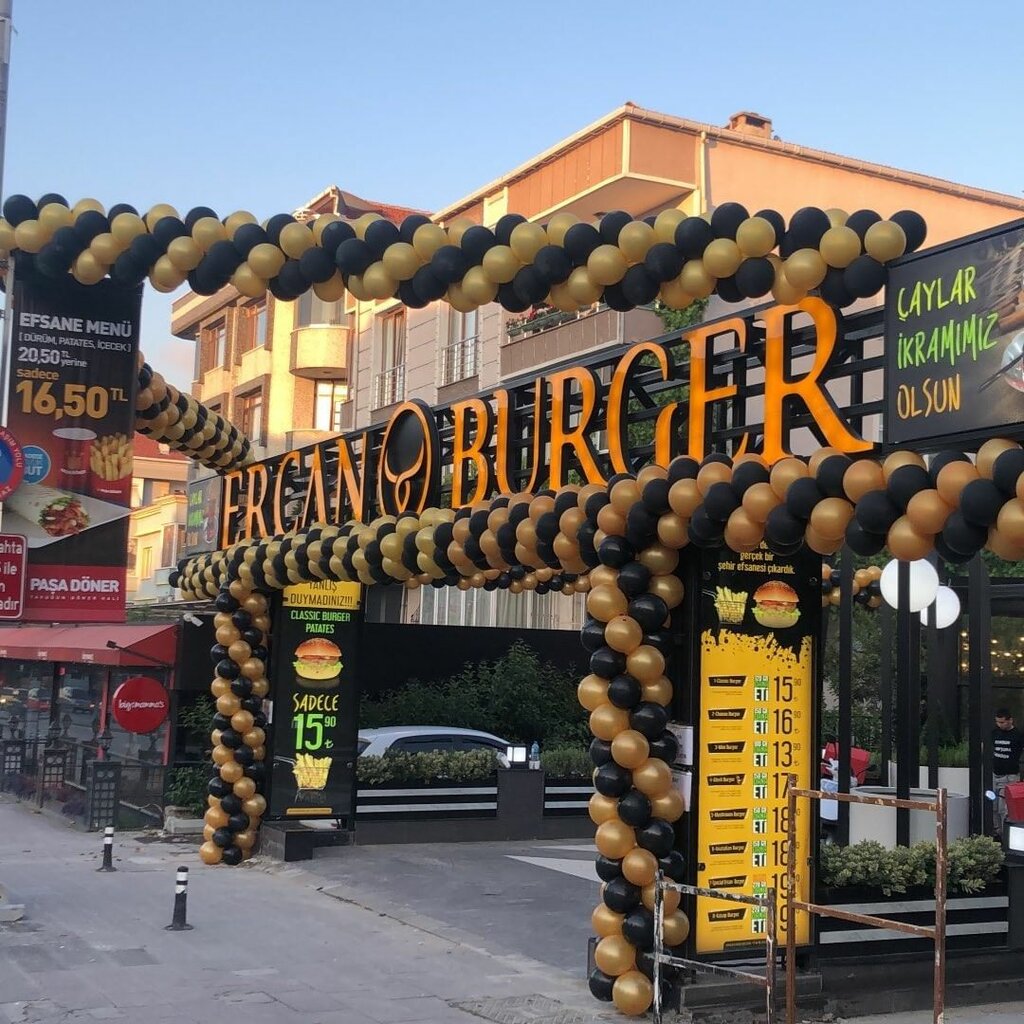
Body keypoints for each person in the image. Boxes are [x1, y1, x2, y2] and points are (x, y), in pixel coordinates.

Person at [992, 708, 1024, 836]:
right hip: (996, 774)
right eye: (997, 722)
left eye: (1002, 722)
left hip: (1010, 776)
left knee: (1004, 808)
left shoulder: (1017, 735)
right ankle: (997, 832)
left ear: (1010, 720)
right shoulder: (995, 732)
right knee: (994, 806)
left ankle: (1006, 835)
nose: (999, 725)